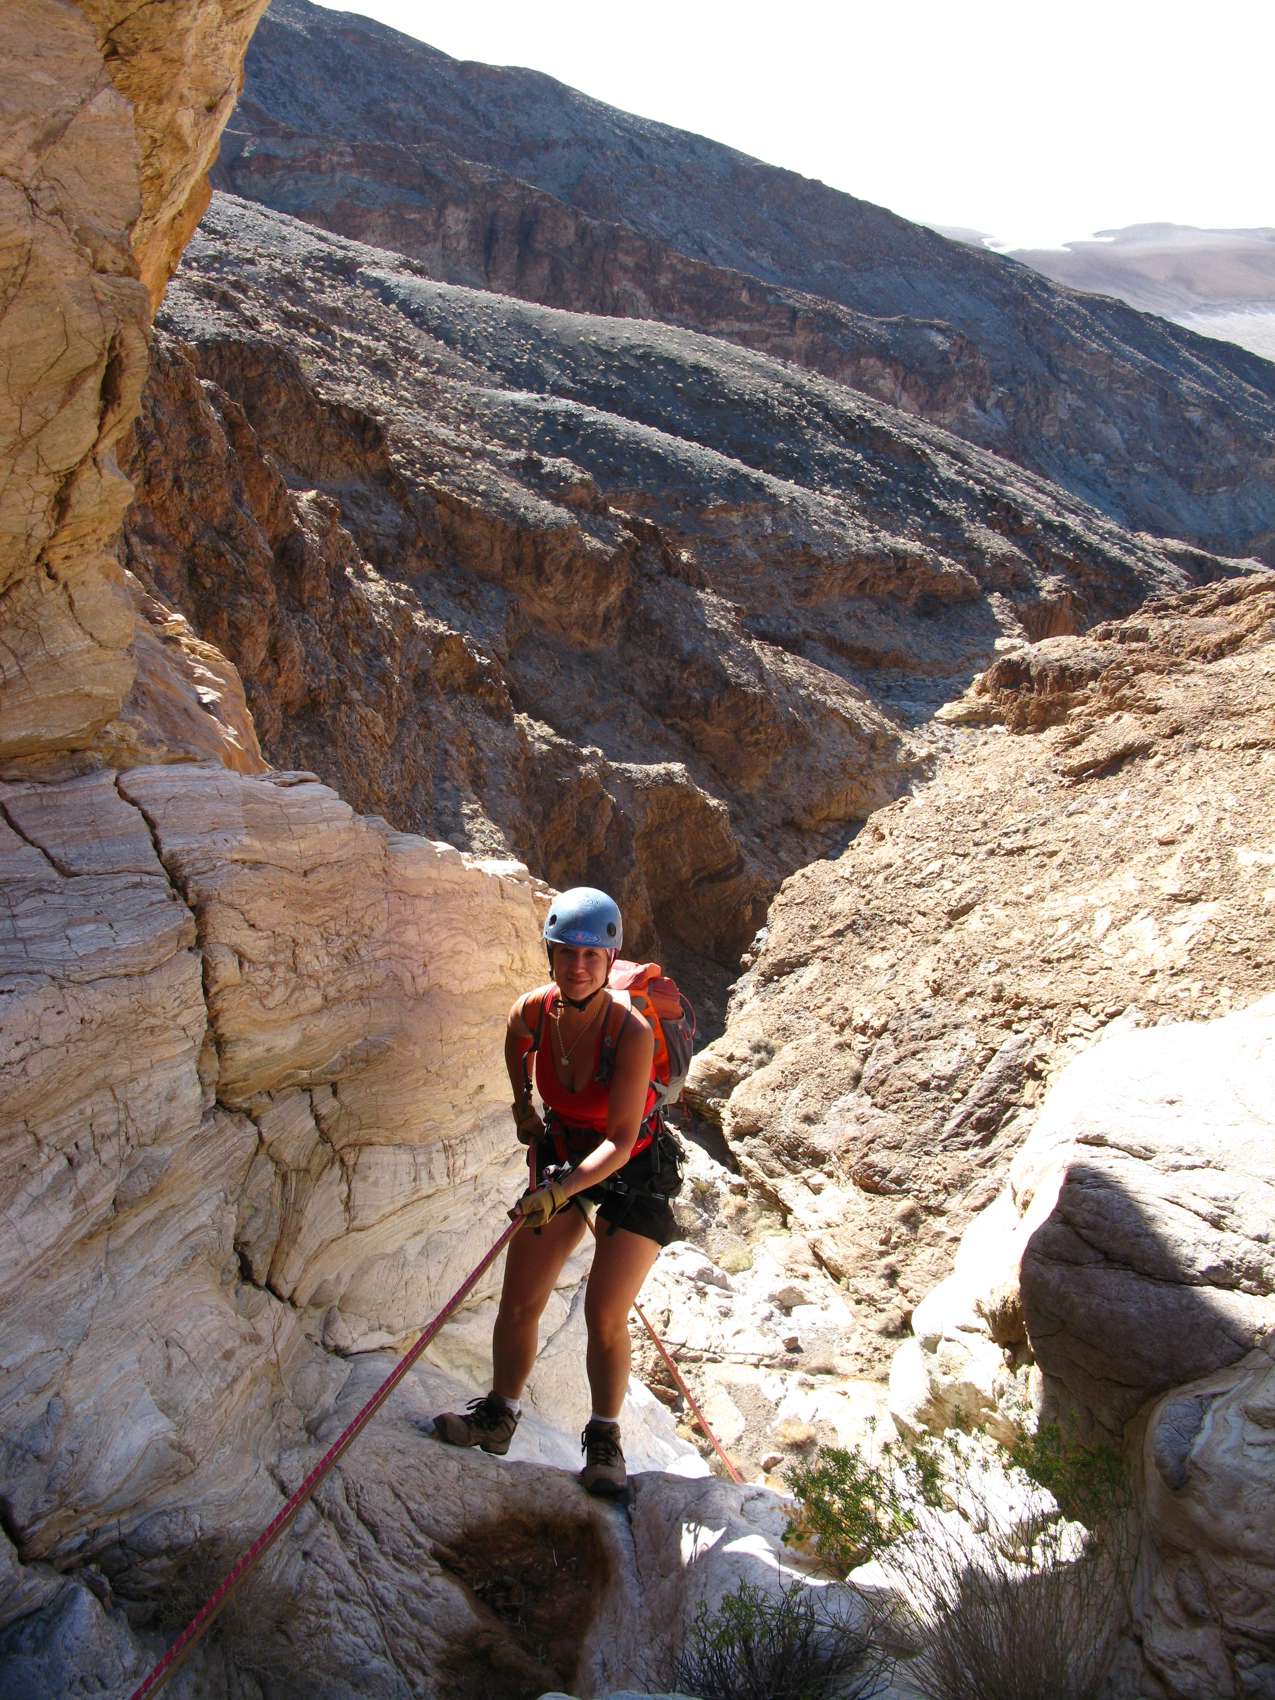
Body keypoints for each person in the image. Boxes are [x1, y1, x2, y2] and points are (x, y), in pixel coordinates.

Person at [432, 886, 680, 1497]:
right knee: (520, 1298)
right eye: (567, 952)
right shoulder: (534, 1011)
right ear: (550, 954)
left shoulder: (629, 1032)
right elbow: (515, 1041)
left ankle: (605, 1441)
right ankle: (498, 1416)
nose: (578, 966)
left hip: (634, 1169)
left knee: (604, 1312)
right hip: (568, 1150)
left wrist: (557, 1190)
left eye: (592, 956)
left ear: (609, 959)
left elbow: (620, 1141)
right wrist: (523, 1106)